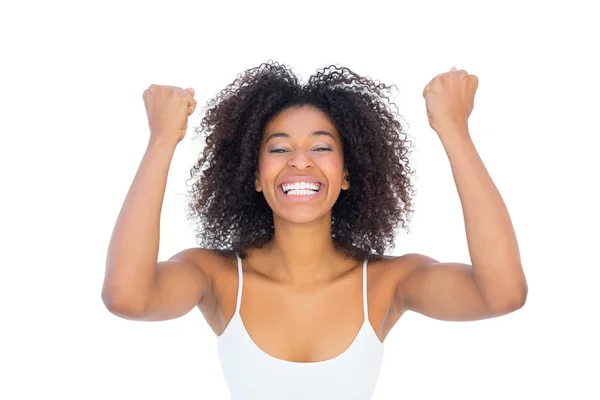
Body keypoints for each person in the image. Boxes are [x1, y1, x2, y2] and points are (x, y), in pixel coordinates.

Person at [101, 62, 528, 400]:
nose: (300, 161)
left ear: (345, 174)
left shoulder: (385, 284)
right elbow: (127, 297)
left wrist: (454, 130)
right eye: (279, 148)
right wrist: (162, 141)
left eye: (322, 147)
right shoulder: (218, 277)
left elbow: (502, 293)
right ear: (254, 175)